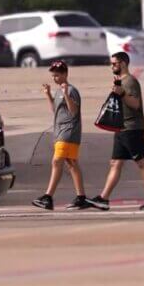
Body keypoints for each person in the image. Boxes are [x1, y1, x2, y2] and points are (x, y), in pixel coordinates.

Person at [86, 52, 144, 211]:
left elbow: (135, 104)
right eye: (111, 63)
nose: (112, 66)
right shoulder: (121, 81)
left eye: (114, 63)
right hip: (121, 128)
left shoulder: (131, 81)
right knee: (115, 163)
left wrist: (121, 93)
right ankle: (104, 198)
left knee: (141, 162)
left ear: (123, 63)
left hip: (132, 128)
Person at [32, 60, 89, 210]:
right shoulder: (59, 91)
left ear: (65, 74)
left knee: (57, 161)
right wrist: (49, 95)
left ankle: (48, 197)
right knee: (71, 163)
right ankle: (81, 197)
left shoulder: (71, 90)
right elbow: (56, 110)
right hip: (60, 131)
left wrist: (66, 94)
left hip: (68, 132)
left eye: (57, 75)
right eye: (53, 75)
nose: (54, 78)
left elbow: (73, 111)